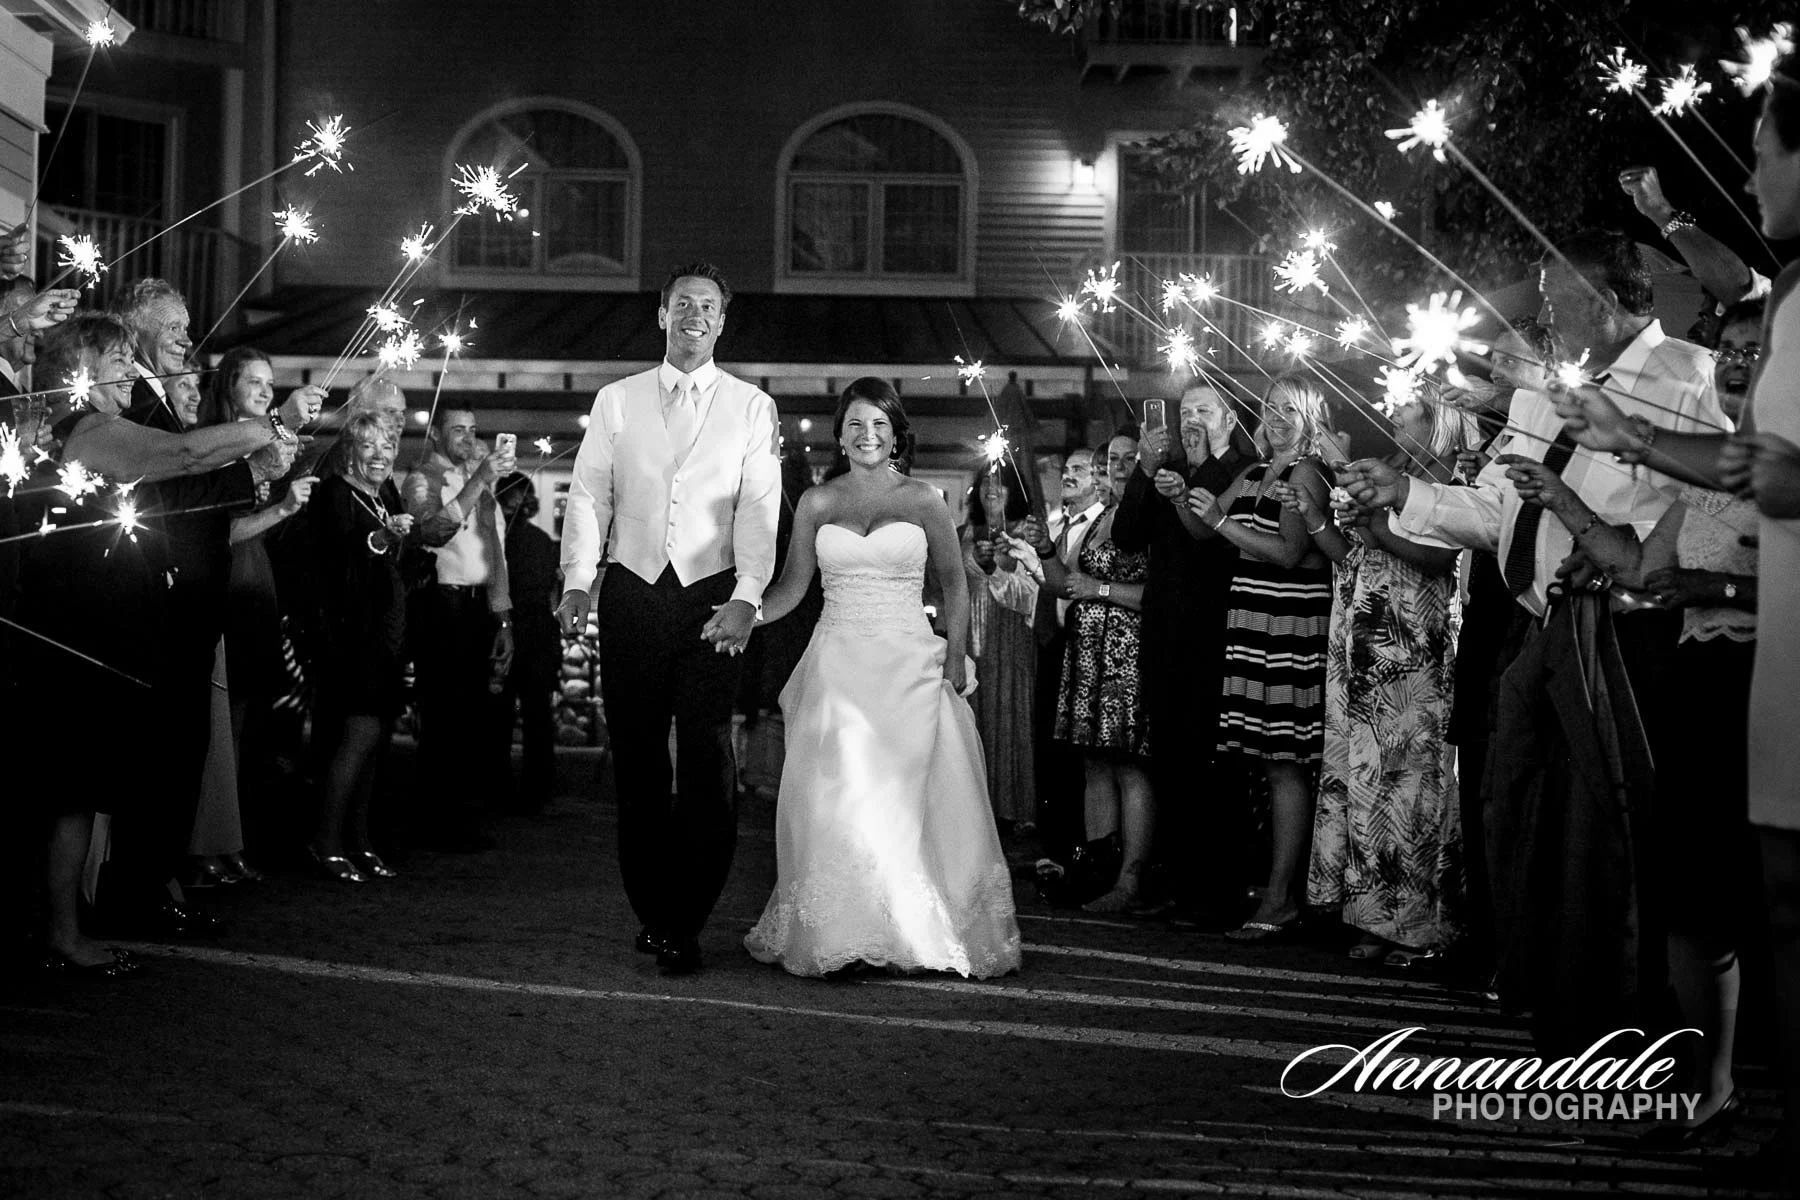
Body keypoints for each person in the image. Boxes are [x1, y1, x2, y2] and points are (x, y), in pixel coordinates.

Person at [1346, 230, 1724, 1050]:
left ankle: (1635, 1013)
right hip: (1538, 627)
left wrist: (1615, 546)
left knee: (1610, 824)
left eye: (1560, 300)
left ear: (1618, 299)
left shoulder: (1684, 378)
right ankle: (1549, 988)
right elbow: (1495, 511)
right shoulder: (1537, 394)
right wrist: (1406, 488)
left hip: (1628, 635)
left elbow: (1701, 509)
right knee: (1516, 805)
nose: (1545, 317)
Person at [18, 314, 292, 968]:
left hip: (93, 630)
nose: (131, 372)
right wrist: (262, 430)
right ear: (81, 369)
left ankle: (58, 925)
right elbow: (183, 454)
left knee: (78, 789)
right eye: (116, 358)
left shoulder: (85, 429)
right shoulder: (85, 431)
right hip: (74, 637)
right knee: (73, 790)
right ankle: (60, 933)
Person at [743, 378, 1021, 978]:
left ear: (896, 435)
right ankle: (843, 930)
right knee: (838, 795)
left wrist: (954, 654)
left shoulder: (923, 499)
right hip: (839, 660)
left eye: (879, 426)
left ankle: (916, 927)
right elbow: (794, 589)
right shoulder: (818, 504)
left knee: (907, 794)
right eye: (855, 426)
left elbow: (952, 580)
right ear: (840, 435)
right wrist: (743, 615)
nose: (867, 436)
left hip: (907, 658)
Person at [557, 262, 782, 975]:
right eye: (682, 302)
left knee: (710, 760)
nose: (694, 314)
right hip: (632, 592)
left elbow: (758, 505)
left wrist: (749, 593)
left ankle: (688, 916)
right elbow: (590, 496)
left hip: (712, 595)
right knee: (640, 760)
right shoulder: (616, 400)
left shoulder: (752, 406)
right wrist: (576, 581)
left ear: (722, 321)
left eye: (707, 305)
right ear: (662, 315)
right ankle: (654, 909)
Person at [99, 291, 319, 936]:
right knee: (163, 753)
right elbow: (184, 479)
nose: (185, 338)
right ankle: (139, 893)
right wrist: (261, 446)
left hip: (191, 598)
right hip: (164, 594)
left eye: (189, 328)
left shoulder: (155, 395)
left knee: (181, 750)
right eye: (171, 326)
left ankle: (156, 885)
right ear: (131, 326)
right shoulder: (133, 400)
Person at [1289, 386, 1476, 967]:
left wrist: (1380, 527)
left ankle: (1415, 925)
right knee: (1366, 773)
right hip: (1363, 625)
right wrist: (1321, 517)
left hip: (1410, 641)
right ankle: (1370, 915)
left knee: (1408, 778)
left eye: (1405, 406)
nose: (1391, 414)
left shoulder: (1451, 475)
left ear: (1438, 415)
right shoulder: (1390, 467)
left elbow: (1446, 555)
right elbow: (1350, 552)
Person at [1183, 375, 1337, 943]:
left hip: (1288, 628)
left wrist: (1224, 523)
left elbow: (1292, 553)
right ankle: (1273, 885)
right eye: (1270, 408)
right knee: (1265, 765)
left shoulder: (1307, 474)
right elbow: (1200, 532)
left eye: (1289, 410)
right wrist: (1182, 492)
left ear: (1311, 417)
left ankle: (1282, 898)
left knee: (1286, 764)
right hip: (1252, 627)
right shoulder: (1252, 473)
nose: (1276, 418)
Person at [1111, 383, 1255, 920]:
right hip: (1164, 632)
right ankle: (1178, 884)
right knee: (1170, 758)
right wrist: (1147, 472)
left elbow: (1215, 542)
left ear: (1228, 418)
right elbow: (1127, 537)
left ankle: (1216, 891)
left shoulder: (1243, 468)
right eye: (1185, 410)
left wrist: (1188, 482)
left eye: (1203, 411)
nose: (1191, 419)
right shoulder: (1166, 466)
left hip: (1216, 630)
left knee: (1212, 763)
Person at [1032, 430, 1153, 913]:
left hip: (1128, 649)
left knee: (1129, 765)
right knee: (1093, 764)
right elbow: (1066, 584)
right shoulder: (1101, 516)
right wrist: (1045, 551)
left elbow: (1155, 593)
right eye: (1109, 463)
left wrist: (1100, 590)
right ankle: (1098, 870)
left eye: (1128, 460)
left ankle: (1131, 880)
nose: (1116, 469)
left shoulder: (1147, 520)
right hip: (1086, 652)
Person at [401, 406, 517, 850]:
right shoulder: (423, 477)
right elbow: (430, 531)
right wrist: (478, 480)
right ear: (435, 434)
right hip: (441, 605)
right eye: (457, 430)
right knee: (443, 715)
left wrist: (503, 618)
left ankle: (456, 817)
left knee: (469, 716)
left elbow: (494, 553)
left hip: (476, 608)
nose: (468, 439)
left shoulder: (482, 484)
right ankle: (434, 819)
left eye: (473, 430)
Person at [307, 414, 415, 882]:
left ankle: (359, 839)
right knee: (355, 740)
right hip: (355, 639)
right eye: (369, 446)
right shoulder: (335, 494)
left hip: (387, 637)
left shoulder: (384, 496)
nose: (379, 455)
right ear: (350, 449)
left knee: (375, 744)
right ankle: (325, 840)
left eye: (387, 446)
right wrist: (382, 538)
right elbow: (338, 560)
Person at [961, 459, 1037, 831]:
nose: (992, 488)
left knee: (1007, 711)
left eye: (1000, 482)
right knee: (970, 716)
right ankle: (970, 806)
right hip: (967, 638)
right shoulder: (963, 532)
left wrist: (993, 571)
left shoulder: (1024, 535)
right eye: (986, 482)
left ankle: (1009, 809)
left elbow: (1031, 594)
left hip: (1010, 637)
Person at [496, 473, 561, 814]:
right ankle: (539, 787)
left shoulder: (498, 539)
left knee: (500, 714)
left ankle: (499, 783)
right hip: (538, 632)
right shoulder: (541, 541)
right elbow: (552, 588)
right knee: (537, 715)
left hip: (508, 628)